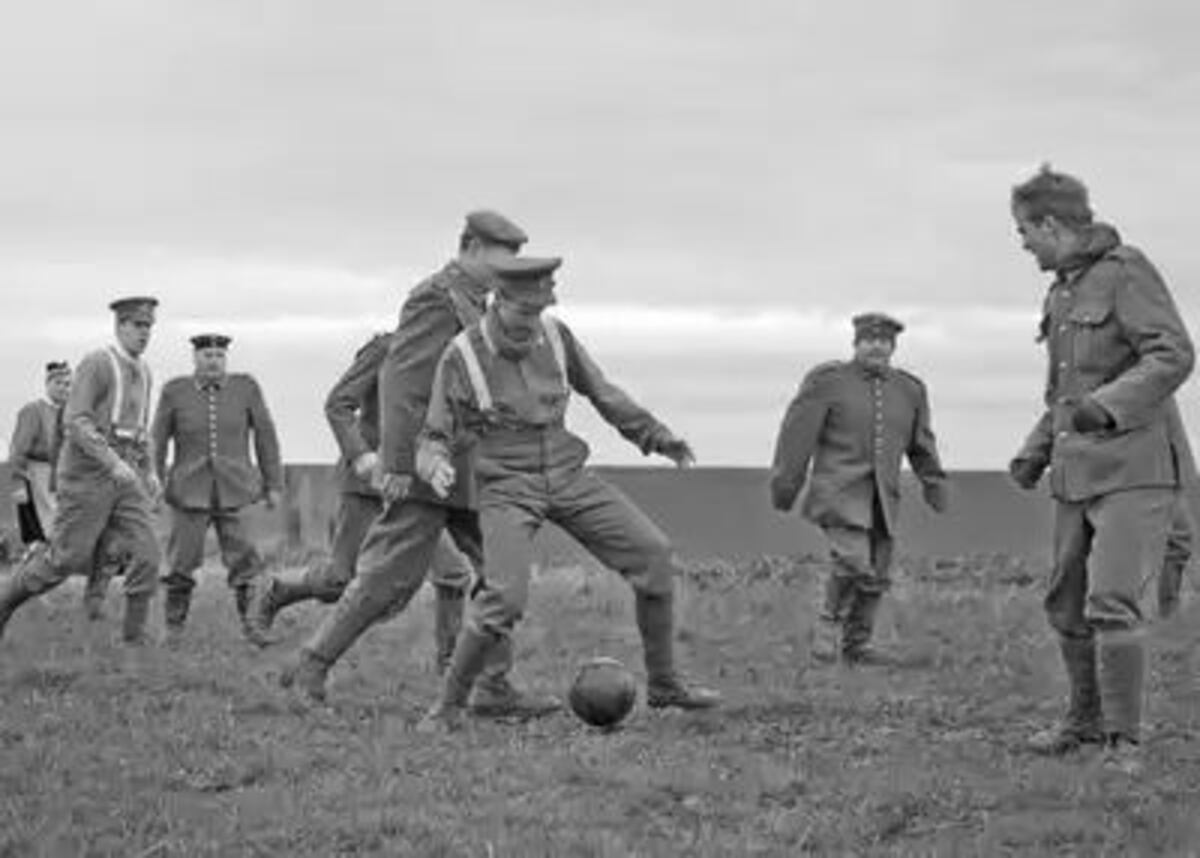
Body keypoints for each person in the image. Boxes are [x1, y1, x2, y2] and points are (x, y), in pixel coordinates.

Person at [415, 255, 721, 732]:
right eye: (523, 311)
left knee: (654, 555)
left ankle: (665, 684)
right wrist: (433, 463)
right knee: (503, 598)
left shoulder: (556, 336)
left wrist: (656, 437)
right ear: (499, 302)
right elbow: (434, 432)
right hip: (507, 483)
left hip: (566, 472)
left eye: (540, 310)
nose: (532, 322)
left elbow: (603, 393)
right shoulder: (462, 355)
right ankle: (448, 707)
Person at [280, 210, 536, 709]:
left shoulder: (479, 304)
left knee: (501, 570)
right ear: (471, 248)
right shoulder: (435, 298)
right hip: (426, 467)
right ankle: (310, 666)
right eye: (501, 257)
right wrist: (398, 464)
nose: (507, 270)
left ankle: (493, 686)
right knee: (386, 577)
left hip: (469, 468)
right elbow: (403, 384)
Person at [1007, 165, 1194, 775]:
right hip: (1076, 471)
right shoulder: (1062, 291)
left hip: (1134, 467)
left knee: (1113, 599)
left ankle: (1124, 743)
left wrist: (1109, 406)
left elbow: (1173, 353)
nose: (1023, 244)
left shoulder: (1126, 272)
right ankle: (1083, 723)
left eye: (1024, 231)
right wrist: (1036, 449)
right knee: (1065, 601)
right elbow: (1066, 392)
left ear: (1050, 224)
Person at [255, 330, 475, 673]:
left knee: (453, 575)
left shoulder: (457, 357)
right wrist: (360, 455)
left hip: (418, 491)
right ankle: (280, 588)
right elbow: (338, 404)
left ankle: (449, 667)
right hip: (368, 486)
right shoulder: (386, 348)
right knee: (338, 581)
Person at [769, 312, 948, 665]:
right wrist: (786, 484)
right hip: (837, 491)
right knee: (853, 561)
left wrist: (933, 480)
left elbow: (921, 442)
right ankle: (828, 624)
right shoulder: (828, 381)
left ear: (893, 346)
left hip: (882, 496)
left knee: (877, 571)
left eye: (884, 341)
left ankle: (858, 645)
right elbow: (796, 435)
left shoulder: (910, 390)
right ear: (856, 343)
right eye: (869, 340)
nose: (876, 347)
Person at [0, 297, 163, 646]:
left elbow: (140, 430)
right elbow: (76, 421)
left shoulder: (145, 371)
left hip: (126, 478)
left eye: (149, 326)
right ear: (119, 326)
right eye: (137, 325)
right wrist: (112, 461)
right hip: (87, 476)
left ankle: (134, 640)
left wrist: (150, 471)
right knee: (65, 560)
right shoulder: (97, 364)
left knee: (149, 551)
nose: (144, 333)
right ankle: (4, 602)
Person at [150, 333, 282, 647]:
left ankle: (253, 627)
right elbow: (157, 440)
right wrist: (152, 481)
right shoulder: (175, 391)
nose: (213, 361)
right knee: (181, 562)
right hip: (188, 490)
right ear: (195, 358)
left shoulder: (246, 388)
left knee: (246, 561)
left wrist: (273, 483)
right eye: (207, 355)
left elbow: (265, 436)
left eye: (219, 355)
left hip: (235, 489)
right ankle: (173, 630)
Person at [8, 361, 123, 620]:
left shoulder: (75, 412)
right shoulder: (33, 410)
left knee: (66, 537)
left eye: (69, 384)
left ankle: (78, 595)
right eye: (59, 383)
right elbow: (18, 450)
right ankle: (21, 590)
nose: (64, 388)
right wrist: (17, 484)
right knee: (43, 539)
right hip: (37, 476)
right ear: (47, 384)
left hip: (66, 477)